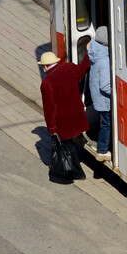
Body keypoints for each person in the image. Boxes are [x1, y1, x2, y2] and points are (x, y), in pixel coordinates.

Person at [38, 50, 90, 184]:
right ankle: (77, 171)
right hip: (76, 115)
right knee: (71, 143)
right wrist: (88, 53)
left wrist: (52, 129)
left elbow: (49, 109)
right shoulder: (69, 67)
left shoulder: (46, 83)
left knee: (68, 147)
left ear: (45, 66)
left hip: (63, 121)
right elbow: (83, 69)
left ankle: (78, 173)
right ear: (56, 62)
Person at [86, 28, 113, 160]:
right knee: (107, 124)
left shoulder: (95, 51)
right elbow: (106, 86)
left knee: (105, 122)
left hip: (97, 96)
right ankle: (102, 150)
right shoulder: (105, 60)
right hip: (104, 99)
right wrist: (117, 93)